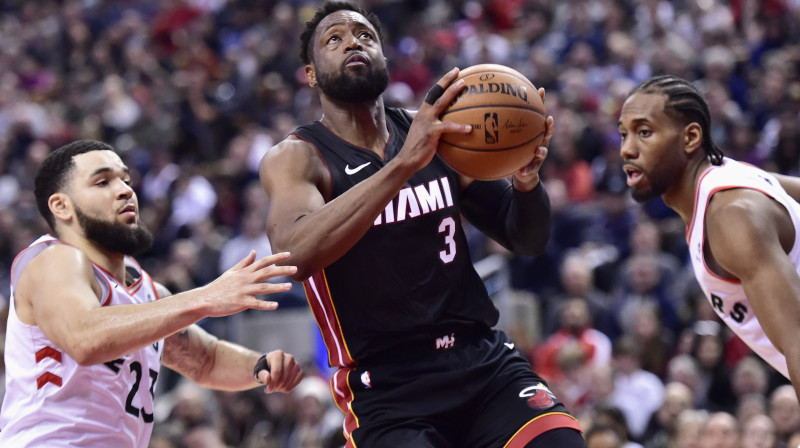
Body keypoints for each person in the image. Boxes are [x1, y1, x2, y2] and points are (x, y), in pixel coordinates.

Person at [258, 1, 584, 446]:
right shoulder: (297, 157)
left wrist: (526, 183)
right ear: (312, 73)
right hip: (388, 386)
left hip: (479, 358)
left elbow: (525, 238)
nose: (353, 41)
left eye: (365, 35)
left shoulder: (434, 134)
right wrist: (402, 166)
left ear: (384, 58)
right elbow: (293, 257)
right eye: (334, 39)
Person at [0, 140, 305, 447]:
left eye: (126, 179)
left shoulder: (144, 290)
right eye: (103, 181)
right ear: (61, 206)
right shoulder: (51, 259)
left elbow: (205, 360)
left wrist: (262, 366)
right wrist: (205, 297)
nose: (124, 190)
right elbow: (84, 338)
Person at [618, 74, 800, 401]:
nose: (627, 149)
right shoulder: (733, 176)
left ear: (690, 138)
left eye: (644, 132)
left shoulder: (730, 217)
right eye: (623, 134)